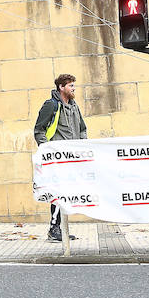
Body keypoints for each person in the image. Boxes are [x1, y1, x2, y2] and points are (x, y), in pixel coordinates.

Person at [34, 74, 86, 242]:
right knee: (59, 191)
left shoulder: (74, 106)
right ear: (61, 87)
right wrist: (47, 150)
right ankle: (53, 229)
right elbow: (39, 130)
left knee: (67, 192)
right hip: (57, 157)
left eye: (73, 86)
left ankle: (60, 229)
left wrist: (83, 147)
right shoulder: (51, 105)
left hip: (73, 157)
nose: (73, 89)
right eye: (70, 86)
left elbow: (83, 128)